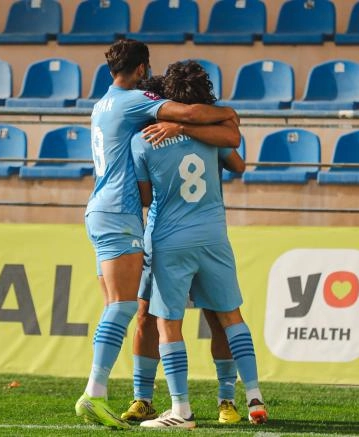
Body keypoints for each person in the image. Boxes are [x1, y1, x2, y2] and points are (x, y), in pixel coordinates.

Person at [75, 40, 240, 430]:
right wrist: (227, 113)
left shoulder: (101, 105)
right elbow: (190, 113)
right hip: (121, 213)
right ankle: (95, 394)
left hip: (100, 210)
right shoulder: (135, 100)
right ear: (141, 69)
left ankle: (123, 397)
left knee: (121, 307)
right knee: (124, 308)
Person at [130, 61, 268, 429]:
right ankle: (253, 396)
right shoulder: (213, 136)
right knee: (230, 317)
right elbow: (238, 164)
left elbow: (145, 197)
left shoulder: (143, 140)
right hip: (213, 237)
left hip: (168, 240)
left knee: (167, 323)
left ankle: (180, 409)